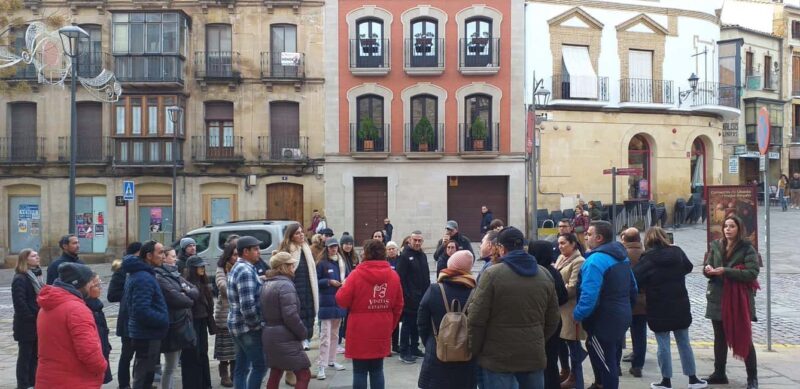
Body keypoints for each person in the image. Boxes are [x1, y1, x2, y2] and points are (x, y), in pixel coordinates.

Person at [468, 227, 560, 389]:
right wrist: (536, 339)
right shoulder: (544, 274)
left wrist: (475, 348)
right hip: (532, 355)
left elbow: (476, 318)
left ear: (501, 248)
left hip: (497, 358)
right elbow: (553, 319)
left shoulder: (491, 275)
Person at [634, 227, 707, 389]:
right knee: (684, 342)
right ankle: (693, 379)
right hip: (679, 304)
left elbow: (635, 278)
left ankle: (666, 381)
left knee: (663, 344)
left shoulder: (647, 258)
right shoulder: (677, 252)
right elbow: (688, 267)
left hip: (658, 305)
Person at [574, 221, 638, 389]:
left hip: (603, 320)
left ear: (599, 238)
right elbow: (633, 287)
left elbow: (589, 295)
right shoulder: (621, 256)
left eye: (589, 233)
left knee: (606, 363)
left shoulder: (595, 261)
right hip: (621, 315)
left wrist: (578, 315)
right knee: (611, 359)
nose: (586, 236)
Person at [336, 239, 404, 389]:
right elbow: (399, 305)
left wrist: (344, 285)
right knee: (377, 370)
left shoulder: (356, 275)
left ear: (365, 254)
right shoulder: (393, 276)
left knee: (359, 371)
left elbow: (341, 300)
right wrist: (390, 326)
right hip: (382, 326)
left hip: (359, 329)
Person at [703, 216, 759, 389]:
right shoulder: (716, 245)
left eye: (731, 226)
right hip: (718, 297)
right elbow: (707, 266)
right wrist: (707, 270)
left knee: (744, 336)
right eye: (725, 226)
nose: (728, 229)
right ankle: (719, 373)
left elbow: (752, 272)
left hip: (738, 300)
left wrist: (726, 271)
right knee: (719, 337)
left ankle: (752, 377)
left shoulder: (747, 248)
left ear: (738, 228)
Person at [36, 262, 107, 388]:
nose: (91, 285)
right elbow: (89, 351)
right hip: (73, 380)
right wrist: (102, 366)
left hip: (49, 378)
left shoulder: (48, 305)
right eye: (89, 282)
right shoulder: (77, 309)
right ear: (79, 284)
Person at [417, 250, 478, 389]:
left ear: (450, 266)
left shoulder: (435, 289)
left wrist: (431, 341)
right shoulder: (476, 291)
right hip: (466, 355)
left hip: (437, 354)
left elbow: (421, 321)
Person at [262, 252, 313, 389]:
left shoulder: (268, 283)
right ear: (283, 267)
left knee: (276, 371)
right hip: (284, 337)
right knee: (304, 374)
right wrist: (303, 333)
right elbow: (290, 315)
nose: (293, 267)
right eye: (290, 265)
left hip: (270, 335)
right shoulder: (285, 285)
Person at [123, 240, 170, 389]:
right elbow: (141, 310)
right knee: (143, 377)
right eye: (160, 252)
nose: (163, 256)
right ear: (149, 256)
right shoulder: (143, 277)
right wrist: (163, 319)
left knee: (146, 375)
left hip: (147, 333)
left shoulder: (145, 273)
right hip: (146, 334)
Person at [154, 246, 198, 389]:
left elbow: (195, 291)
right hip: (173, 325)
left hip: (182, 323)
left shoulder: (176, 275)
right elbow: (177, 298)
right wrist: (186, 296)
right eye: (172, 256)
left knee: (173, 366)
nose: (175, 259)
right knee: (170, 366)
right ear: (164, 258)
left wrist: (186, 293)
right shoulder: (160, 276)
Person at [228, 236, 268, 389]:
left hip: (236, 325)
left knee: (242, 367)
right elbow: (248, 307)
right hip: (246, 328)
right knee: (260, 366)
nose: (259, 252)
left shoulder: (240, 267)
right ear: (245, 252)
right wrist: (256, 325)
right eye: (256, 249)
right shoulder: (245, 271)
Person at [529, 240, 569, 389]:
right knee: (551, 360)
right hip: (554, 321)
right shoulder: (554, 272)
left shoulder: (533, 273)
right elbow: (563, 296)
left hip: (536, 320)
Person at [278, 223, 319, 353]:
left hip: (309, 288)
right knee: (298, 314)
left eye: (302, 232)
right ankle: (301, 339)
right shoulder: (287, 251)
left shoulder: (307, 249)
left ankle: (306, 338)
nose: (301, 234)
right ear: (290, 236)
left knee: (309, 313)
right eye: (297, 233)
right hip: (294, 288)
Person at [107, 241, 141, 389]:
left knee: (141, 354)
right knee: (127, 354)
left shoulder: (142, 268)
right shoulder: (121, 268)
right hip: (127, 317)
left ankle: (139, 382)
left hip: (139, 318)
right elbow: (112, 295)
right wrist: (132, 292)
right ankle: (123, 384)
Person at [555, 233, 587, 389]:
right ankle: (566, 371)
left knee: (572, 345)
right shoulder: (561, 258)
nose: (560, 246)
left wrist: (557, 289)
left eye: (563, 243)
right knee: (561, 343)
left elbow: (572, 287)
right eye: (559, 243)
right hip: (559, 308)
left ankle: (576, 377)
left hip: (570, 308)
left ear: (573, 244)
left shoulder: (579, 261)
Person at [315, 238, 348, 379]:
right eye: (331, 247)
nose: (333, 249)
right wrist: (329, 282)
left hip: (338, 302)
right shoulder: (322, 263)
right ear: (327, 248)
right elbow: (316, 280)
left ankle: (332, 360)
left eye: (335, 247)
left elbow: (347, 276)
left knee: (335, 336)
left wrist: (345, 280)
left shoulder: (341, 262)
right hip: (326, 303)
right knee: (325, 337)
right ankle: (321, 366)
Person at [396, 230, 430, 363]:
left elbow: (426, 276)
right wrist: (407, 295)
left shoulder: (422, 255)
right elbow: (400, 278)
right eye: (414, 240)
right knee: (407, 324)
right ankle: (404, 351)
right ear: (409, 240)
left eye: (419, 240)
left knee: (417, 324)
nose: (417, 243)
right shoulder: (404, 256)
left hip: (422, 297)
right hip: (409, 298)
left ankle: (414, 348)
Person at [182, 255, 216, 389]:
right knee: (192, 355)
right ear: (192, 268)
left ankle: (205, 384)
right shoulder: (186, 283)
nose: (202, 268)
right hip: (191, 322)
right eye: (199, 266)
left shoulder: (203, 282)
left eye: (203, 266)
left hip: (202, 321)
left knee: (203, 353)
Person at [12, 249, 42, 389]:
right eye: (34, 256)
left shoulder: (35, 276)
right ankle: (23, 385)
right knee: (25, 356)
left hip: (37, 322)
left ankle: (32, 382)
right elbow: (20, 303)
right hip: (26, 324)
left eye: (37, 255)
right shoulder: (20, 278)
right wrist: (32, 317)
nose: (37, 257)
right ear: (25, 259)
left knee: (35, 355)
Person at [620, 227, 647, 378]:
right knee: (640, 333)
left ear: (624, 239)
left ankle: (615, 366)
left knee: (618, 332)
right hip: (642, 300)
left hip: (624, 299)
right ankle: (637, 366)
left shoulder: (622, 254)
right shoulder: (645, 254)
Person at [215, 238, 239, 387]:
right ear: (228, 255)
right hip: (224, 313)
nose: (236, 258)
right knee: (224, 350)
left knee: (236, 348)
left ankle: (234, 374)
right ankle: (224, 375)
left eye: (238, 254)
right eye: (234, 254)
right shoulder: (221, 268)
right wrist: (238, 284)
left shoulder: (241, 266)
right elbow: (222, 286)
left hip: (237, 313)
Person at [85, 273, 113, 385]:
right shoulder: (87, 309)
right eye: (97, 285)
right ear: (87, 287)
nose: (100, 288)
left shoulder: (96, 305)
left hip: (102, 351)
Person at [338, 232, 358, 354]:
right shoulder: (339, 257)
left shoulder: (354, 257)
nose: (348, 246)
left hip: (353, 290)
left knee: (349, 317)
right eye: (346, 243)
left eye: (350, 244)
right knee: (341, 317)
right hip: (343, 289)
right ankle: (338, 341)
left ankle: (346, 338)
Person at [386, 241, 401, 354]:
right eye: (389, 249)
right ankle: (387, 346)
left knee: (396, 321)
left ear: (397, 250)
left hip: (398, 293)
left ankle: (395, 345)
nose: (391, 251)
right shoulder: (384, 262)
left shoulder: (401, 261)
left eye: (393, 248)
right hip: (387, 294)